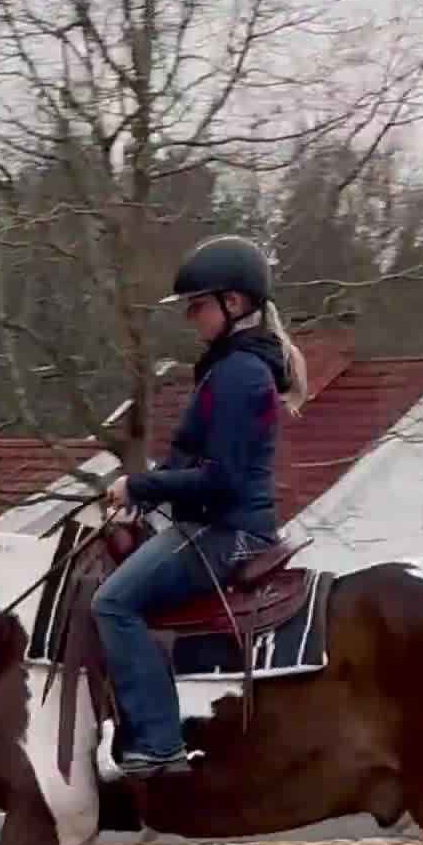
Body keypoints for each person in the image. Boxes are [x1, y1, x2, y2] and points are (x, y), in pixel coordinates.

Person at [93, 237, 309, 777]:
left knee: (112, 603)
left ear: (233, 303)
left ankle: (158, 743)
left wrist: (138, 487)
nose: (191, 317)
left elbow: (222, 480)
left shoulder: (240, 374)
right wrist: (143, 496)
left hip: (228, 532)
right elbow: (189, 460)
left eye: (198, 306)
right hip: (217, 524)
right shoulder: (229, 368)